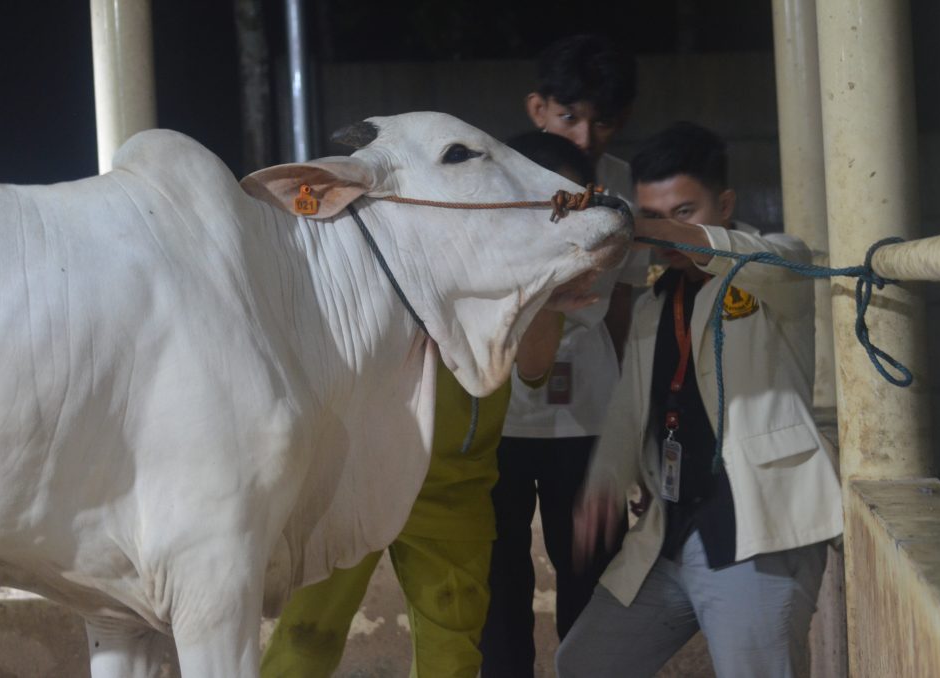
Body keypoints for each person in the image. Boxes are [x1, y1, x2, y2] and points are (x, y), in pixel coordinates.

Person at [259, 134, 601, 678]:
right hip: (352, 479)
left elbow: (533, 371)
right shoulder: (341, 258)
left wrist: (542, 291)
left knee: (454, 655)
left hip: (452, 488)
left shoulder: (516, 268)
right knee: (305, 636)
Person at [555, 121, 843, 678]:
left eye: (682, 212)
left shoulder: (779, 263)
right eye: (653, 214)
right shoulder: (651, 305)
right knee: (584, 662)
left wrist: (640, 227)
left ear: (726, 203)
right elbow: (626, 411)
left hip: (755, 534)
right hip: (669, 534)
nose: (666, 233)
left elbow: (738, 255)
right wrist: (605, 484)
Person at [480, 34, 644, 678]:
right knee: (498, 576)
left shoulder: (626, 189)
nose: (584, 135)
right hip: (498, 411)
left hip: (589, 413)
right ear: (536, 108)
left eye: (601, 120)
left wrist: (634, 419)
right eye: (568, 115)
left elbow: (627, 307)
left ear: (621, 120)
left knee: (591, 568)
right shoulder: (491, 183)